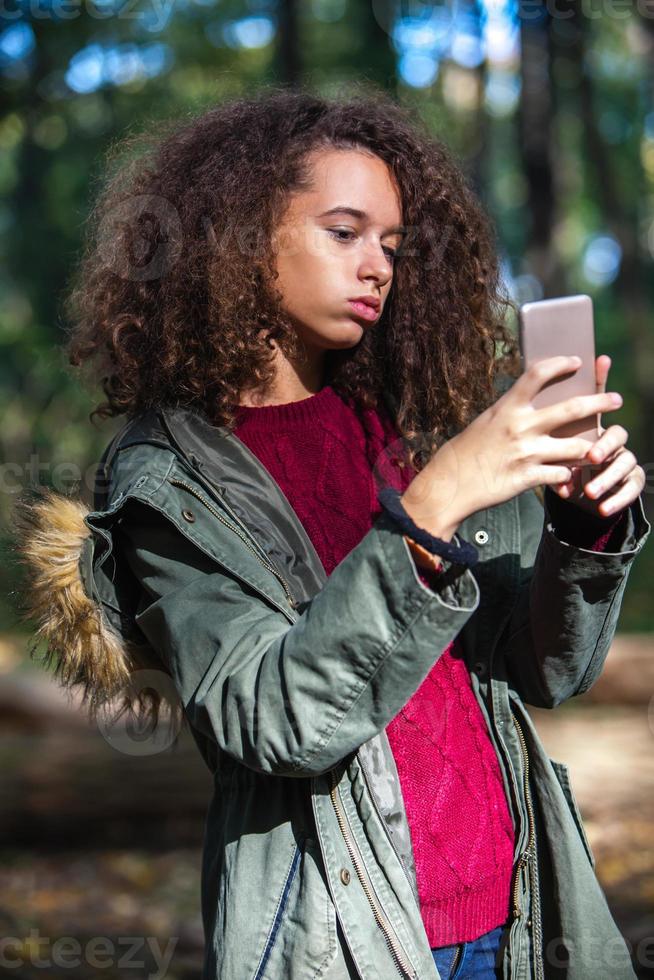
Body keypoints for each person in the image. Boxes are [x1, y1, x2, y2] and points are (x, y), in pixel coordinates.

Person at [14, 86, 650, 980]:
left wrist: (584, 531)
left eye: (391, 244)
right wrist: (434, 505)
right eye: (344, 232)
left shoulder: (410, 427)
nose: (380, 267)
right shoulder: (170, 477)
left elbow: (544, 667)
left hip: (523, 909)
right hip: (341, 937)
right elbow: (271, 718)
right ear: (238, 240)